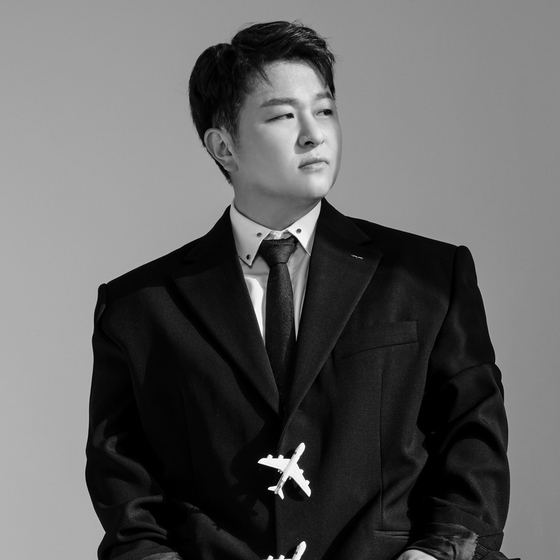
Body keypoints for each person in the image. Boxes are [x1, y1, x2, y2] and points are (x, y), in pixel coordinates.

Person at [86, 21, 516, 560]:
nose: (314, 134)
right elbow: (124, 479)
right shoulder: (139, 307)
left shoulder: (427, 276)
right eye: (284, 116)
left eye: (325, 110)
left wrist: (437, 553)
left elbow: (473, 436)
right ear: (223, 146)